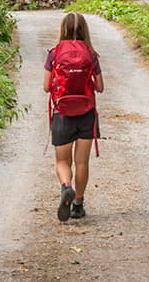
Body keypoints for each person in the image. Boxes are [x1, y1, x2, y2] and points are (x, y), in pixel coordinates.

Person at [45, 12, 104, 221]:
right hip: (86, 113)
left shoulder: (54, 53)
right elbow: (100, 87)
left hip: (62, 113)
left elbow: (46, 86)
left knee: (62, 160)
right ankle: (78, 205)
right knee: (81, 162)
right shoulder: (91, 54)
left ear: (63, 29)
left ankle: (66, 186)